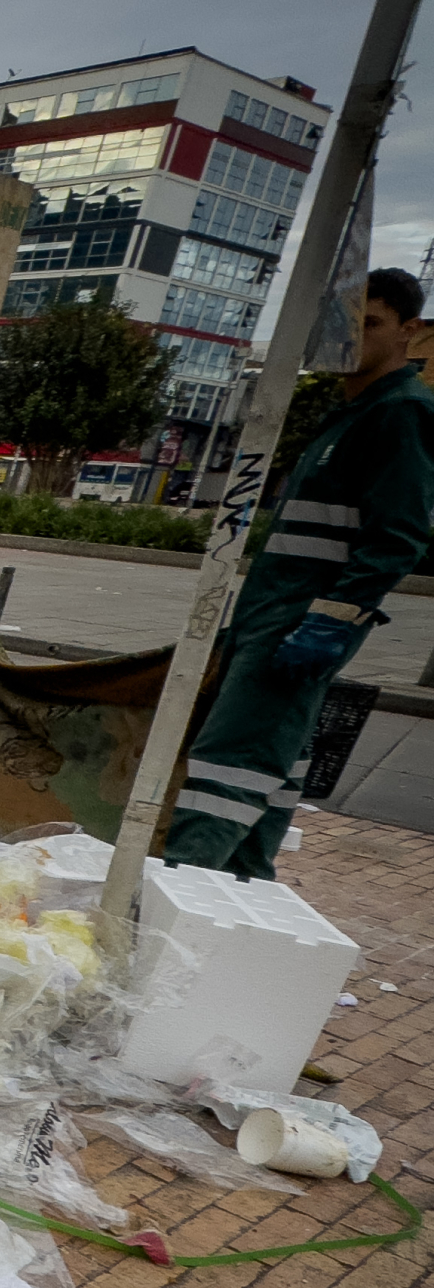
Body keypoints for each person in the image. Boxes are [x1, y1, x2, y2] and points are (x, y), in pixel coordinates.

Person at [164, 268, 434, 877]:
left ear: (409, 330)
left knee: (229, 761)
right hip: (275, 617)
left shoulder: (400, 413)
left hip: (298, 623)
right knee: (275, 764)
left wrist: (332, 620)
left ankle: (177, 883)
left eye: (371, 324)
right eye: (344, 324)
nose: (353, 338)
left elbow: (398, 536)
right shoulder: (351, 413)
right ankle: (245, 882)